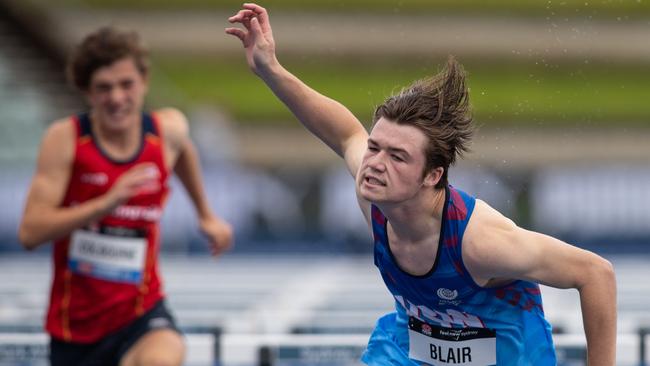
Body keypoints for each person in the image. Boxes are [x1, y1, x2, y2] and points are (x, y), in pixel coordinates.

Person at [226, 4, 616, 365]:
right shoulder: (374, 195)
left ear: (433, 176)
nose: (374, 165)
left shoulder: (481, 242)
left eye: (397, 157)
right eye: (375, 147)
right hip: (410, 348)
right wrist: (270, 69)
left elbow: (596, 274)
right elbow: (344, 133)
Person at [18, 27, 233, 366]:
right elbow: (30, 232)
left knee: (163, 356)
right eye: (104, 88)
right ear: (87, 92)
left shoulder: (167, 131)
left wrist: (205, 214)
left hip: (142, 315)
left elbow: (184, 151)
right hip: (75, 329)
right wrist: (105, 204)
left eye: (126, 84)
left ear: (144, 82)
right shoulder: (67, 140)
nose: (117, 98)